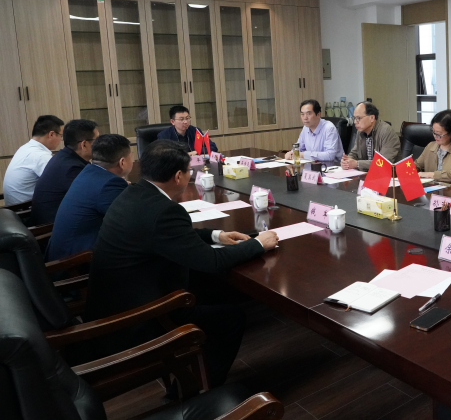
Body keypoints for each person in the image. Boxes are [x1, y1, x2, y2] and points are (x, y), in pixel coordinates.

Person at [85, 140, 279, 388]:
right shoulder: (163, 211)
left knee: (210, 290)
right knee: (231, 318)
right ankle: (202, 387)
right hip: (139, 316)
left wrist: (216, 235)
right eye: (189, 171)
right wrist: (258, 244)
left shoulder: (135, 193)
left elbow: (169, 235)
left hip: (116, 299)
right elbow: (212, 262)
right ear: (178, 177)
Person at [45, 134, 133, 262]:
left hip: (63, 254)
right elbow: (132, 221)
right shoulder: (109, 184)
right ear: (122, 162)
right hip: (76, 263)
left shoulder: (89, 171)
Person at [29, 119, 98, 226]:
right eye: (97, 141)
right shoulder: (72, 168)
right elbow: (94, 199)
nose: (101, 145)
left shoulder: (64, 156)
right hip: (51, 229)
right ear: (84, 144)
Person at [2, 115, 64, 206]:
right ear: (51, 134)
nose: (61, 140)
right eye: (60, 136)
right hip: (26, 210)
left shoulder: (25, 148)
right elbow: (61, 184)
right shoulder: (40, 156)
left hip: (13, 209)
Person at [415, 109, 451, 183]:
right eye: (433, 132)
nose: (435, 136)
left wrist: (430, 174)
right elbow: (417, 165)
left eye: (439, 134)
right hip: (432, 188)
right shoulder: (431, 146)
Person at [341, 102, 400, 170]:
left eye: (358, 118)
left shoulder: (387, 132)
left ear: (372, 118)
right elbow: (354, 153)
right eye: (354, 118)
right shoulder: (360, 132)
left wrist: (357, 164)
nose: (355, 122)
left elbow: (383, 162)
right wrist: (347, 161)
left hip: (389, 174)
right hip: (366, 174)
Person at [284, 99, 344, 165]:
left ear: (318, 114)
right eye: (302, 114)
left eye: (308, 114)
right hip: (313, 165)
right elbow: (299, 147)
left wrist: (303, 154)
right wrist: (291, 153)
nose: (305, 118)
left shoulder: (329, 128)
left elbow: (330, 155)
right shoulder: (305, 128)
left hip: (333, 166)